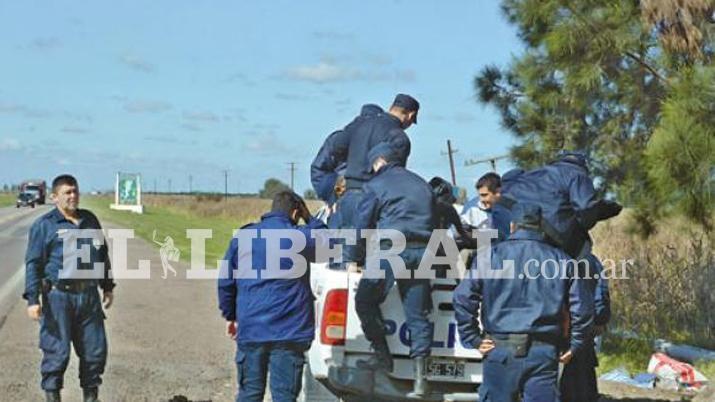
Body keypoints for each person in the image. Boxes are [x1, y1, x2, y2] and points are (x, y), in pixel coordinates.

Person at [453, 203, 594, 402]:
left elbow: (463, 298)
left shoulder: (490, 257)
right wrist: (575, 344)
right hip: (544, 352)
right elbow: (583, 309)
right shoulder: (563, 261)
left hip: (499, 351)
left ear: (512, 226)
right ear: (540, 227)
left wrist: (473, 337)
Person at [218, 191, 327, 402]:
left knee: (249, 394)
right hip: (289, 331)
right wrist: (311, 218)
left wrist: (232, 316)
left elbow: (225, 281)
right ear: (296, 212)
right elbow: (328, 243)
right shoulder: (300, 238)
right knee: (284, 397)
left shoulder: (244, 237)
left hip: (251, 327)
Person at [353, 142, 435, 398]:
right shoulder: (422, 184)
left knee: (365, 300)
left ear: (378, 161)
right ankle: (421, 382)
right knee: (417, 314)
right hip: (423, 250)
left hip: (392, 248)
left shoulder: (376, 184)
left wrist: (355, 257)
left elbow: (362, 225)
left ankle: (382, 358)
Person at [24, 174, 115, 402]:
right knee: (57, 354)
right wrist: (33, 299)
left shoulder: (89, 220)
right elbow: (34, 264)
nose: (73, 196)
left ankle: (91, 397)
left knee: (94, 353)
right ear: (55, 197)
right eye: (67, 192)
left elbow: (101, 255)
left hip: (89, 298)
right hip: (58, 298)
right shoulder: (44, 226)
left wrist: (107, 286)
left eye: (75, 191)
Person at [312, 94, 420, 264]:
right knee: (368, 268)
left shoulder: (359, 125)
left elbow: (334, 148)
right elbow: (393, 179)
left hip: (346, 200)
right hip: (371, 205)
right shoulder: (398, 137)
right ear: (410, 115)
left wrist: (332, 195)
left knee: (340, 262)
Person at [500, 151, 622, 258]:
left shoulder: (536, 173)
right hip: (549, 238)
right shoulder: (577, 174)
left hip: (508, 231)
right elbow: (586, 209)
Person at [560, 253, 611, 402]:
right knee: (583, 388)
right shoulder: (590, 260)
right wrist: (600, 320)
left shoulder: (548, 256)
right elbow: (601, 295)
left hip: (553, 335)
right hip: (583, 335)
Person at [460, 172, 511, 243]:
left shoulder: (511, 207)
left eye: (484, 195)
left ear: (498, 192)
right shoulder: (472, 209)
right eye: (479, 195)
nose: (481, 199)